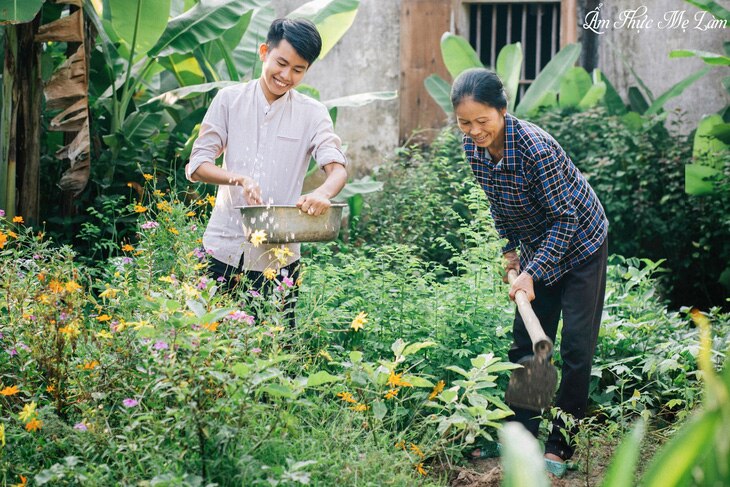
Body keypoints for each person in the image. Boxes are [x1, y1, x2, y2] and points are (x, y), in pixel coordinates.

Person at [451, 68, 608, 477]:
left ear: (503, 111)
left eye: (482, 121)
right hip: (538, 248)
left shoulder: (535, 148)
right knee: (530, 345)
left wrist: (531, 272)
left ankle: (560, 443)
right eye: (465, 123)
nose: (474, 131)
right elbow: (499, 205)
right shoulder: (473, 150)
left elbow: (565, 218)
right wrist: (510, 253)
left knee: (575, 349)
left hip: (582, 245)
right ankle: (522, 432)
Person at [185, 18, 348, 323]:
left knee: (275, 351)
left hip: (278, 259)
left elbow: (336, 168)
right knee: (205, 343)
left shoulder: (312, 114)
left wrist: (323, 193)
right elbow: (198, 165)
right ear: (264, 52)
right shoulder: (229, 100)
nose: (286, 76)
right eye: (281, 63)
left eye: (298, 70)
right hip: (222, 248)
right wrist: (237, 177)